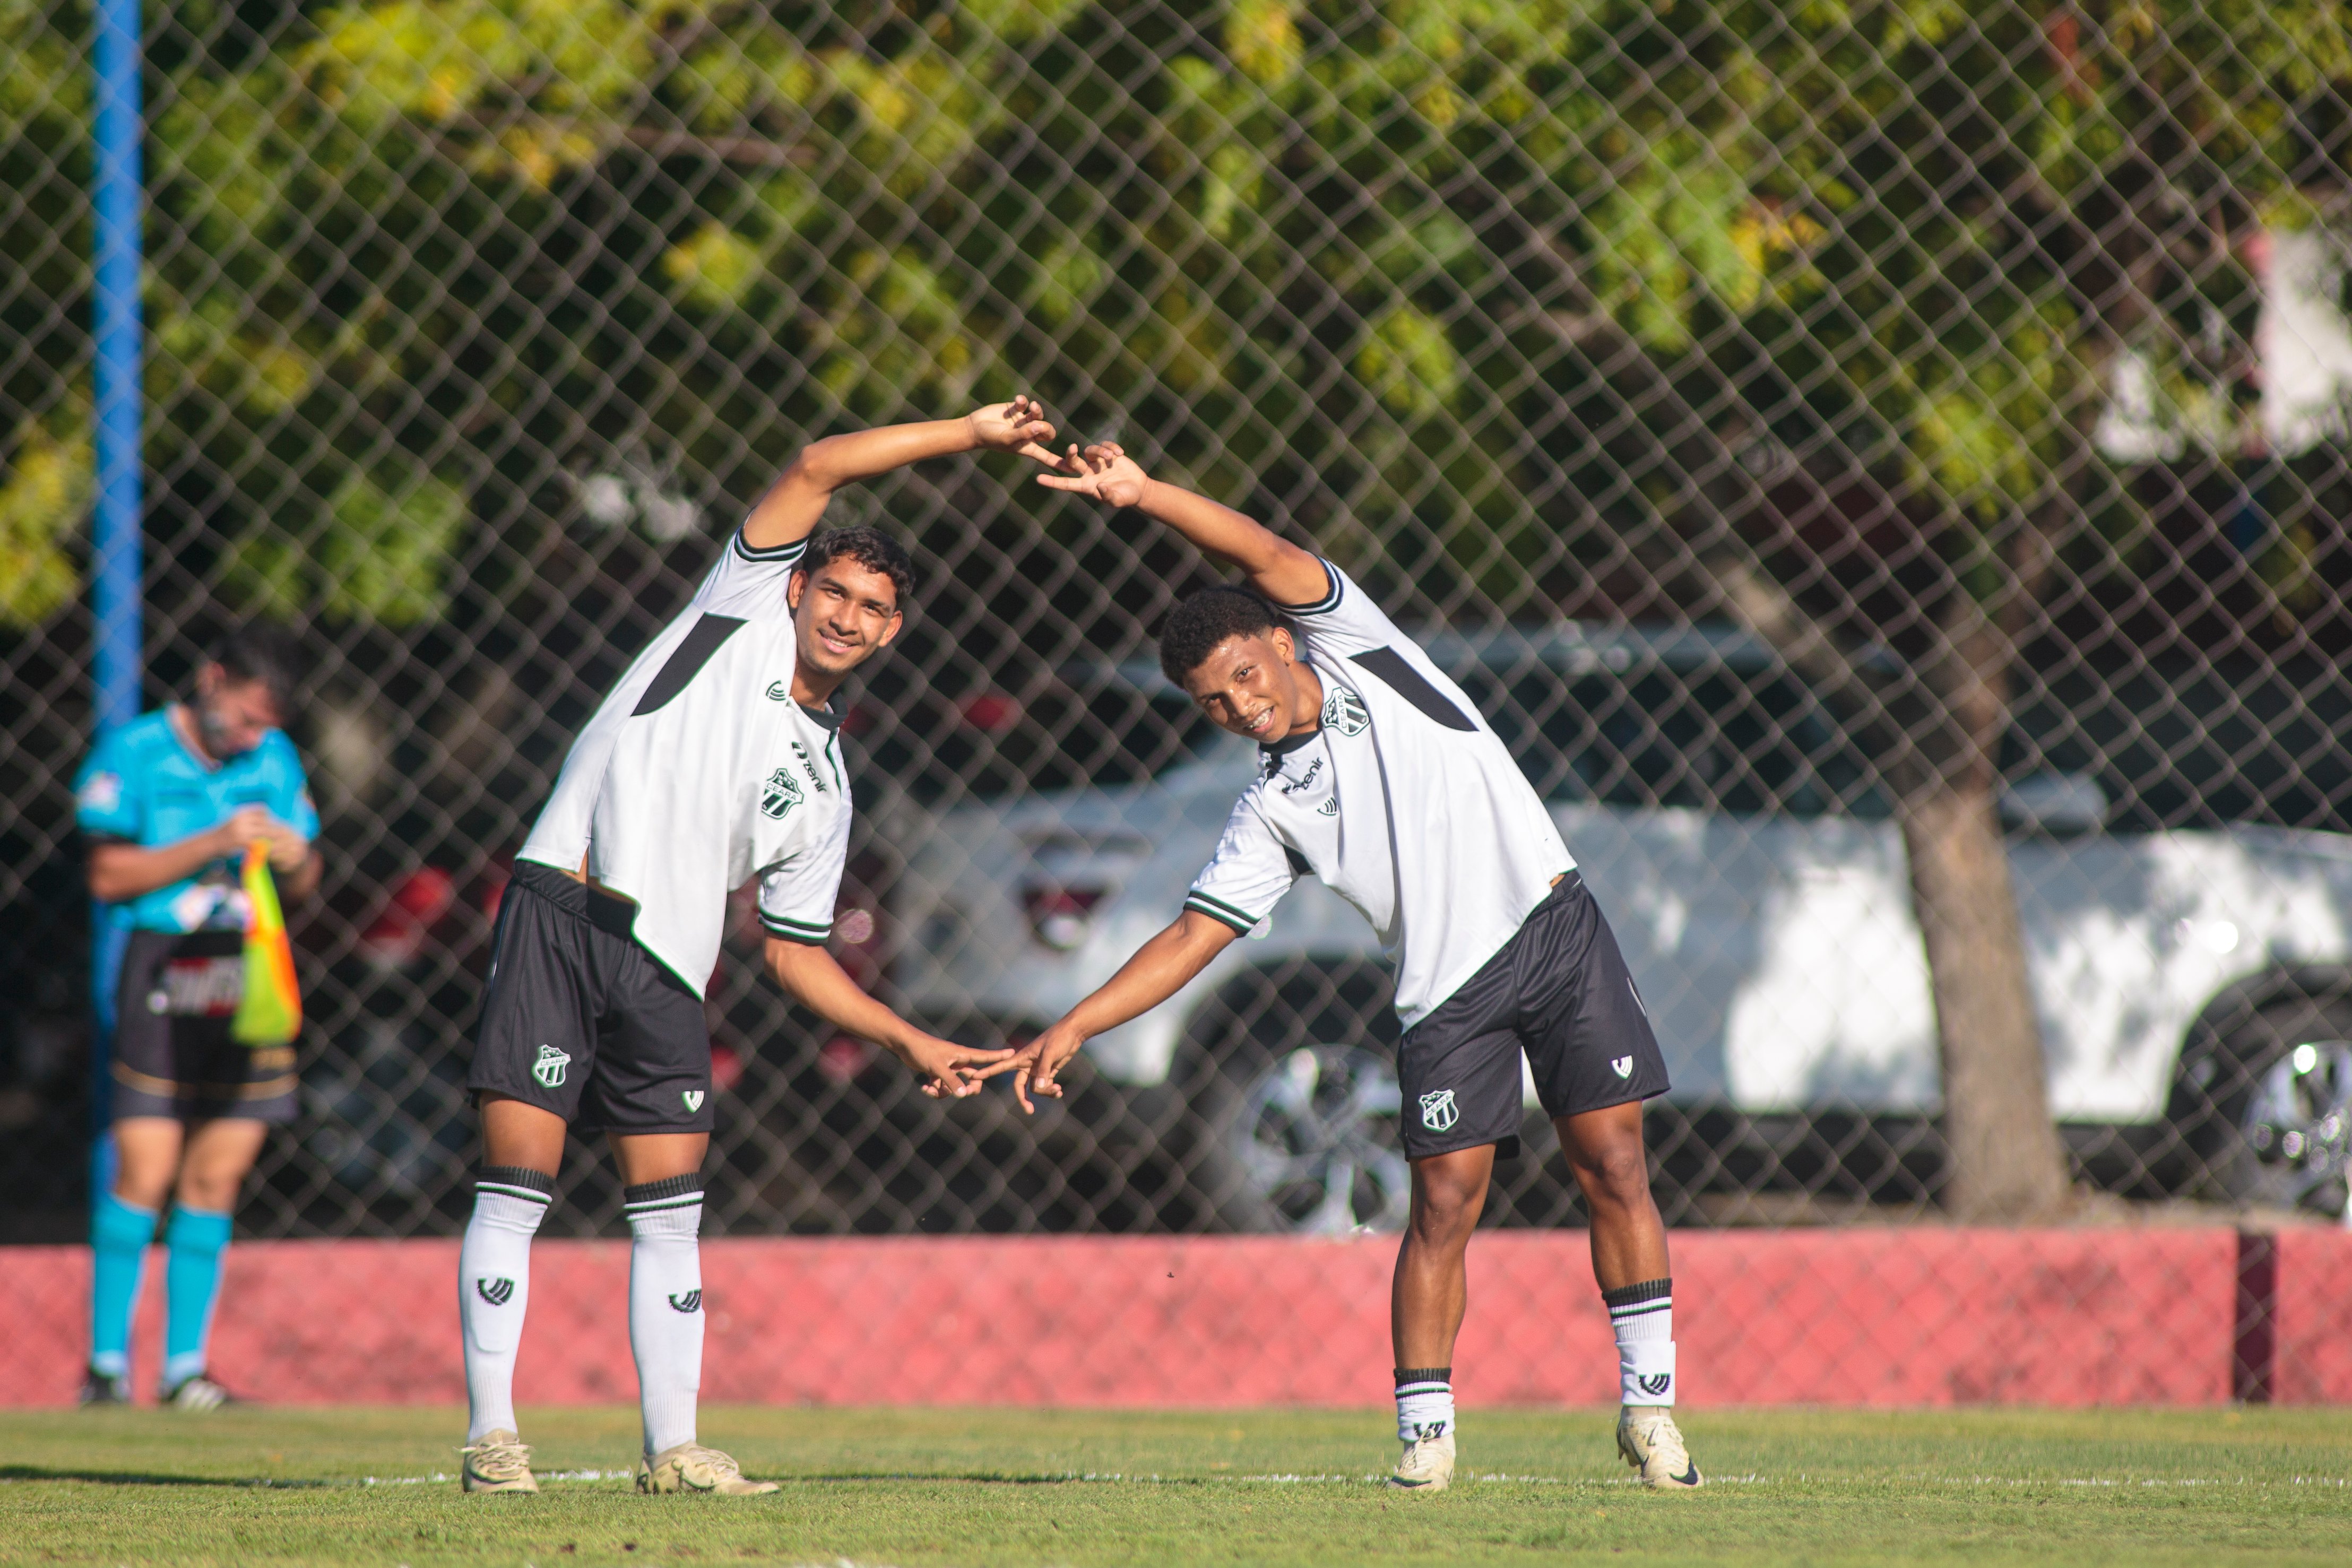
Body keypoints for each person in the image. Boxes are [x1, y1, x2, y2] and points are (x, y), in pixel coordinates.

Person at [1014, 441, 1702, 1492]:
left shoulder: (1361, 649)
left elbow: (1267, 547)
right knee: (1441, 1204)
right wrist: (1076, 1022)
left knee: (1612, 1167)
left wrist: (1144, 491)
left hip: (1554, 928)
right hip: (1442, 994)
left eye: (1244, 672)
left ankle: (1648, 1408)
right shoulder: (1268, 809)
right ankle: (1425, 1436)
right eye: (1210, 700)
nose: (1238, 702)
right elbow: (1193, 934)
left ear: (1284, 643)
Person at [455, 400, 1054, 1496]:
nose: (847, 613)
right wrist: (968, 433)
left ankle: (673, 1450)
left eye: (873, 606)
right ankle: (494, 1439)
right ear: (793, 587)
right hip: (561, 914)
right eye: (833, 589)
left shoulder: (827, 788)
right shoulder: (730, 614)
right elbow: (821, 461)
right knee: (515, 1188)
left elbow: (794, 951)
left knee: (670, 1218)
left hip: (671, 973)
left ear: (890, 633)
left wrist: (904, 1033)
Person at [73, 623, 323, 1410]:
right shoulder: (137, 752)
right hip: (165, 973)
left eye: (267, 726)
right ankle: (106, 1367)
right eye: (246, 718)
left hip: (246, 976)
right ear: (212, 679)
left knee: (215, 1176)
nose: (254, 737)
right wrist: (214, 840)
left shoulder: (274, 762)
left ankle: (186, 1369)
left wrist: (293, 859)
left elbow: (310, 871)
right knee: (145, 1171)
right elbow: (109, 875)